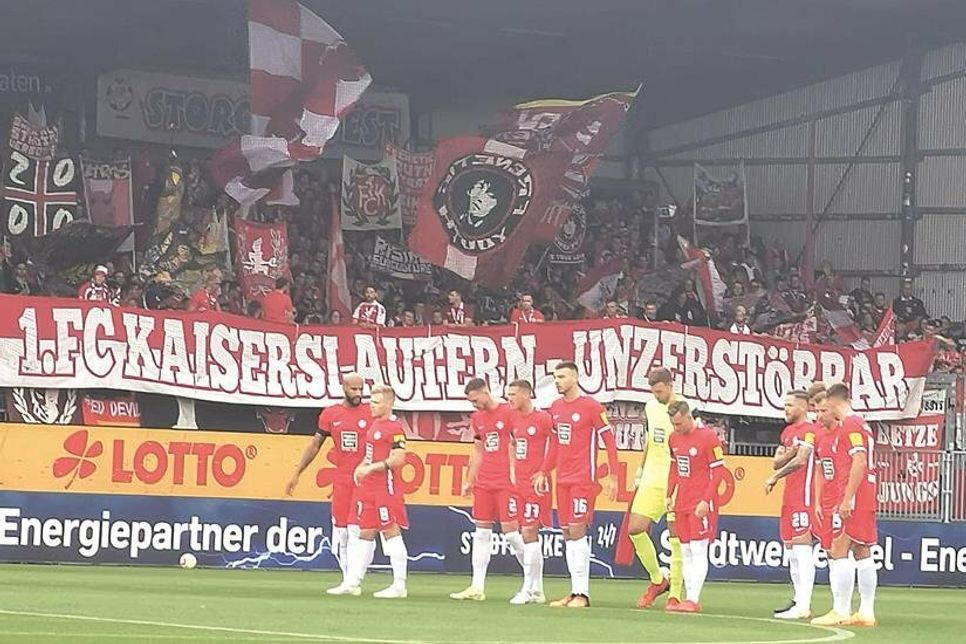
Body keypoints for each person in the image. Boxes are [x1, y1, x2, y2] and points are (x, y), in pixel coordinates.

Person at [532, 361, 620, 608]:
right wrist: (542, 471)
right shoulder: (556, 408)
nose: (557, 381)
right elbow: (556, 445)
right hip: (563, 480)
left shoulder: (591, 407)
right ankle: (573, 591)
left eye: (561, 376)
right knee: (568, 533)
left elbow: (609, 441)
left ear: (575, 378)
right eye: (555, 377)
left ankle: (583, 593)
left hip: (584, 479)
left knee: (578, 530)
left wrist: (613, 475)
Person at [285, 373, 372, 593]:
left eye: (361, 389)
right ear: (343, 387)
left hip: (363, 479)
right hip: (341, 480)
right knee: (340, 532)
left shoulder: (371, 412)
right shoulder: (331, 414)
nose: (358, 394)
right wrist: (297, 473)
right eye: (353, 389)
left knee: (356, 530)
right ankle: (347, 580)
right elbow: (315, 445)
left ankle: (355, 579)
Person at [450, 378, 526, 602]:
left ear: (485, 392)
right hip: (485, 482)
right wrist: (469, 480)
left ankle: (532, 580)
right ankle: (477, 586)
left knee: (511, 533)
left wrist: (516, 471)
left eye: (475, 400)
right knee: (481, 533)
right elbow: (478, 451)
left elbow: (519, 443)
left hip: (506, 482)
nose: (474, 405)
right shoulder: (477, 418)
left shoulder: (509, 412)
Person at [811, 384, 878, 627]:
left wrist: (847, 497)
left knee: (839, 551)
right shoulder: (863, 424)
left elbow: (859, 462)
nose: (823, 414)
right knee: (862, 551)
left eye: (826, 408)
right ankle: (866, 612)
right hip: (867, 492)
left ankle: (840, 610)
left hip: (856, 494)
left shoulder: (850, 424)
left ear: (835, 404)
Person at [338, 384, 410, 598]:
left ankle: (399, 585)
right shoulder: (374, 425)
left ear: (388, 404)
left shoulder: (395, 428)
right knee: (365, 533)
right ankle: (353, 582)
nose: (371, 405)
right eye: (371, 401)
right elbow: (370, 455)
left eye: (376, 402)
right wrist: (362, 466)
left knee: (390, 531)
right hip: (369, 489)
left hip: (385, 489)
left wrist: (372, 468)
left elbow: (398, 459)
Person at [628, 367, 684, 609]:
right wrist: (640, 472)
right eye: (653, 391)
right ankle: (658, 580)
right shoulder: (650, 406)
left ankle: (676, 594)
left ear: (670, 385)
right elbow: (650, 440)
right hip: (652, 475)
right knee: (635, 528)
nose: (656, 395)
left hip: (675, 479)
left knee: (677, 536)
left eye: (660, 391)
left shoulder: (684, 408)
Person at [665, 400, 727, 614]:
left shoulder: (708, 438)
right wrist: (668, 494)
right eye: (674, 424)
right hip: (681, 500)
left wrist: (706, 500)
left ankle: (693, 597)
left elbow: (718, 472)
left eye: (680, 424)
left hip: (700, 501)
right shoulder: (673, 438)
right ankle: (688, 597)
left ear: (689, 417)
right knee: (685, 549)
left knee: (698, 548)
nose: (677, 428)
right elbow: (674, 467)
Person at [764, 390, 816, 620]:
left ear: (803, 407)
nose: (786, 409)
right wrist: (789, 455)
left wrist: (776, 476)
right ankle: (798, 599)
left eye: (790, 405)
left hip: (804, 497)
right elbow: (776, 461)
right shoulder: (787, 432)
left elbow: (801, 459)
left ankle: (805, 604)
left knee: (803, 549)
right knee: (792, 553)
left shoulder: (809, 431)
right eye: (784, 405)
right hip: (790, 497)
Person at [506, 379, 553, 605]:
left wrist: (544, 471)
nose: (510, 399)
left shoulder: (543, 419)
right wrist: (513, 469)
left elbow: (555, 445)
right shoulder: (513, 418)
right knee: (525, 535)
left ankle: (526, 588)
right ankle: (538, 590)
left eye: (513, 394)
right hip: (520, 485)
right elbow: (513, 444)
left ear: (526, 395)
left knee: (529, 533)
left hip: (537, 484)